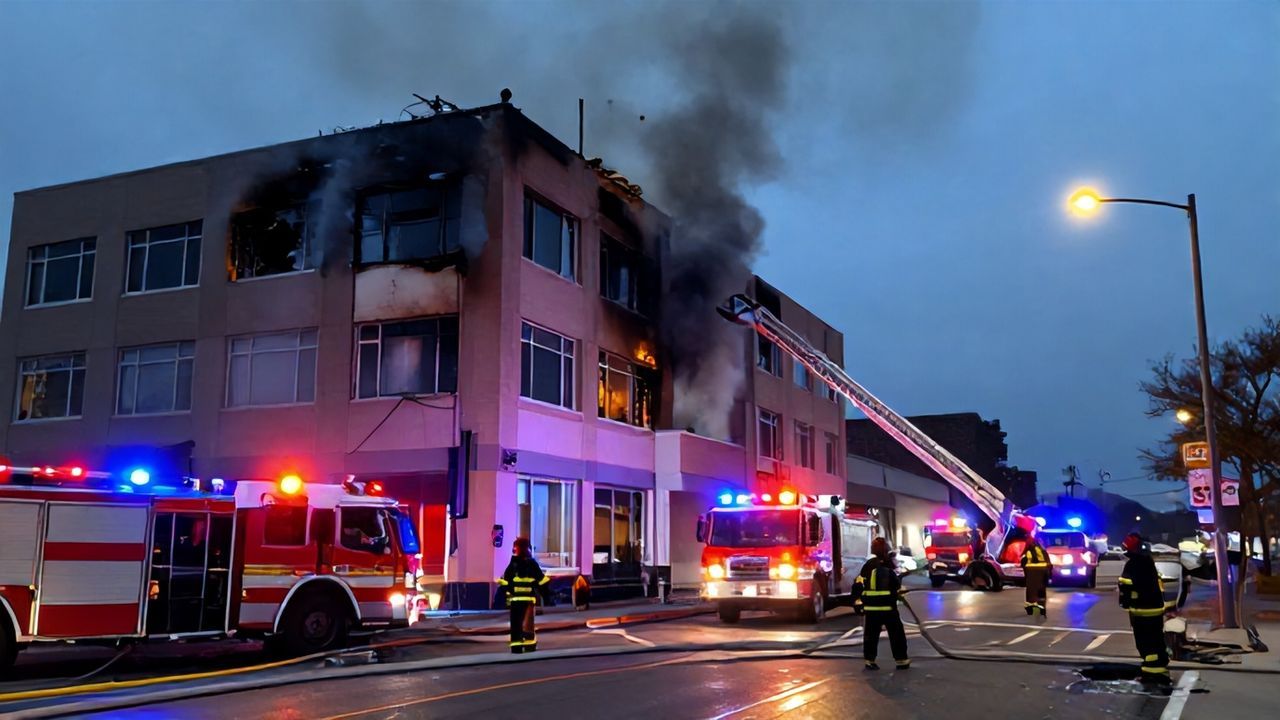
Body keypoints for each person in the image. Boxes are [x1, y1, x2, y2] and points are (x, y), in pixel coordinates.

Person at [1118, 532, 1171, 684]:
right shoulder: (1148, 562)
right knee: (1155, 639)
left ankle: (1151, 672)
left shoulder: (1134, 564)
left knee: (1145, 643)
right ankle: (1158, 665)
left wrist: (1125, 601)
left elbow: (1125, 585)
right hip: (1154, 608)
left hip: (1141, 610)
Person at [856, 537, 909, 670]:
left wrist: (858, 601)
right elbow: (896, 584)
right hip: (888, 608)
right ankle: (901, 660)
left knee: (870, 635)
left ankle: (869, 660)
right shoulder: (889, 565)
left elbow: (859, 584)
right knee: (896, 634)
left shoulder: (868, 565)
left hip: (871, 608)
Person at [496, 537, 550, 654]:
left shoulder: (513, 564)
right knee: (528, 625)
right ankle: (529, 646)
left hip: (515, 600)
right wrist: (548, 597)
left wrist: (503, 596)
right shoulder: (532, 564)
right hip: (529, 600)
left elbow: (506, 582)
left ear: (516, 548)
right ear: (528, 548)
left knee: (516, 625)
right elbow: (541, 581)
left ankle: (516, 648)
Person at [1021, 533, 1052, 620]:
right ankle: (1041, 609)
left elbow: (1023, 562)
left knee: (1032, 592)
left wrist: (1025, 573)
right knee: (1041, 591)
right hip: (1042, 573)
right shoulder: (1042, 550)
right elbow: (1048, 563)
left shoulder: (1028, 550)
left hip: (1032, 574)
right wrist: (1049, 575)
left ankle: (1033, 611)